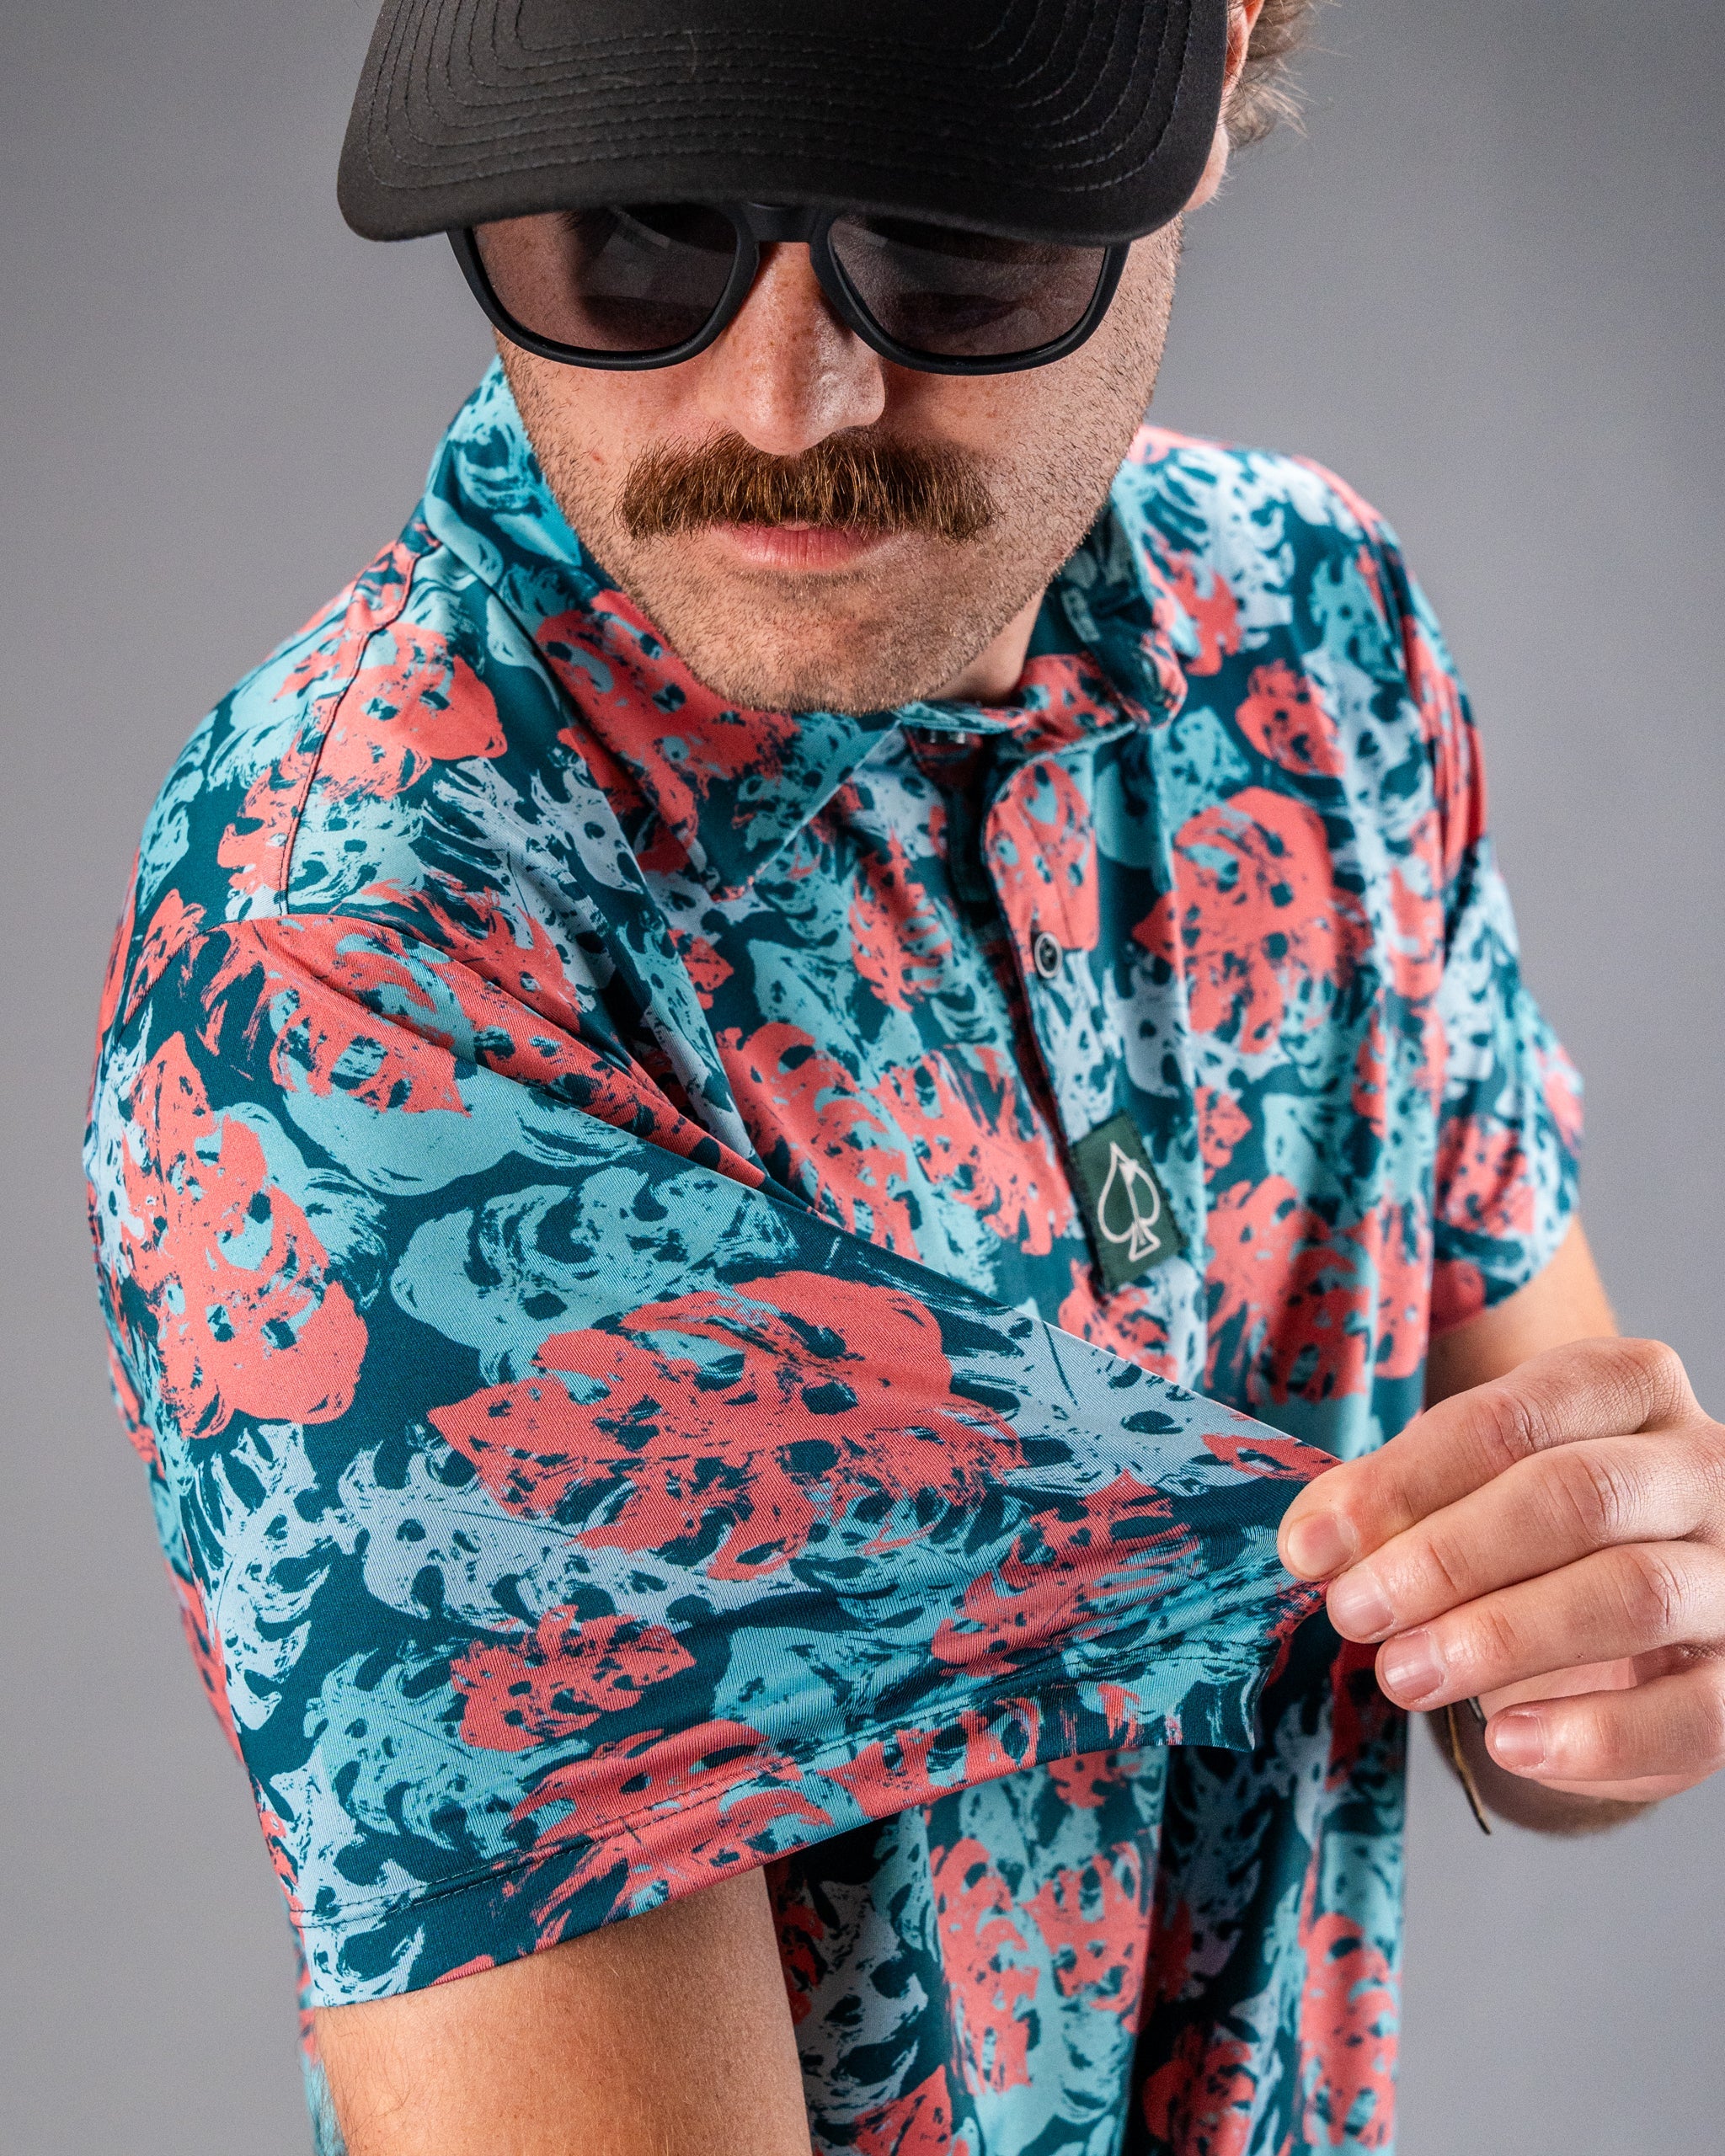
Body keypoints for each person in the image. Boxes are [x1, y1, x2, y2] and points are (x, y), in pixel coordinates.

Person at [83, 2, 1725, 2151]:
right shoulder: (355, 968)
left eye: (947, 234)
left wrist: (1617, 1612)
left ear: (1220, 66)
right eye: (642, 226)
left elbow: (1551, 1658)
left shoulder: (1316, 641)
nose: (788, 402)